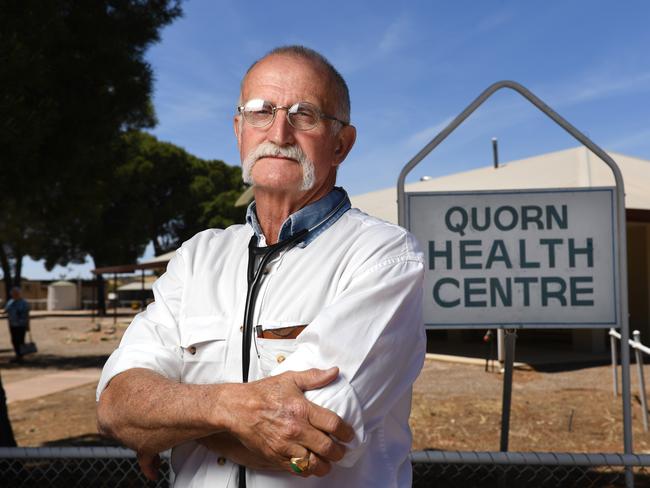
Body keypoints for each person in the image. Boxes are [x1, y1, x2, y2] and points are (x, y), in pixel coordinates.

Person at [96, 45, 425, 487]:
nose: (279, 132)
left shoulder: (383, 256)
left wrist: (171, 426)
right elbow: (117, 405)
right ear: (239, 130)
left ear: (341, 144)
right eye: (260, 111)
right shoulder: (198, 257)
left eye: (304, 114)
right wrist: (229, 409)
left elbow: (303, 437)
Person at [4, 287, 30, 363]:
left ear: (19, 294)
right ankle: (17, 355)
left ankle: (21, 356)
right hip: (12, 324)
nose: (14, 295)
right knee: (14, 340)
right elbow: (6, 311)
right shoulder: (10, 302)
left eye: (16, 293)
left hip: (21, 325)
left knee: (21, 340)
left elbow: (27, 315)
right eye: (13, 294)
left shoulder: (24, 303)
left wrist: (28, 325)